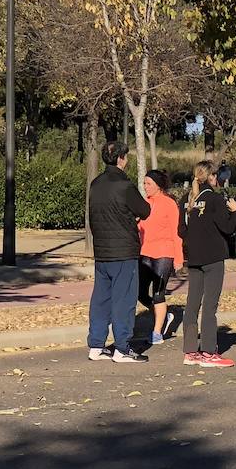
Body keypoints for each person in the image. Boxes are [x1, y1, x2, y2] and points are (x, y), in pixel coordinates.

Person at [87, 140, 151, 363]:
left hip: (102, 249)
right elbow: (145, 209)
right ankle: (122, 348)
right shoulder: (124, 185)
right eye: (126, 157)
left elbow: (94, 216)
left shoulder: (96, 184)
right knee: (124, 300)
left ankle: (96, 345)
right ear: (121, 159)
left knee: (101, 299)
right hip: (123, 250)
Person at [179, 161, 236, 367]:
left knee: (192, 304)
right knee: (210, 305)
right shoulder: (214, 199)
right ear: (213, 177)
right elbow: (227, 228)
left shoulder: (187, 200)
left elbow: (182, 231)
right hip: (213, 258)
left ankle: (190, 351)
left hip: (194, 258)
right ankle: (208, 351)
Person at [138, 169, 184, 345]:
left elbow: (176, 233)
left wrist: (178, 258)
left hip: (164, 253)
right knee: (140, 293)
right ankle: (164, 314)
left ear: (158, 185)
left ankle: (157, 332)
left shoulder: (169, 204)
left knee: (158, 294)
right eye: (144, 183)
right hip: (144, 253)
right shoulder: (144, 203)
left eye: (148, 183)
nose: (145, 186)